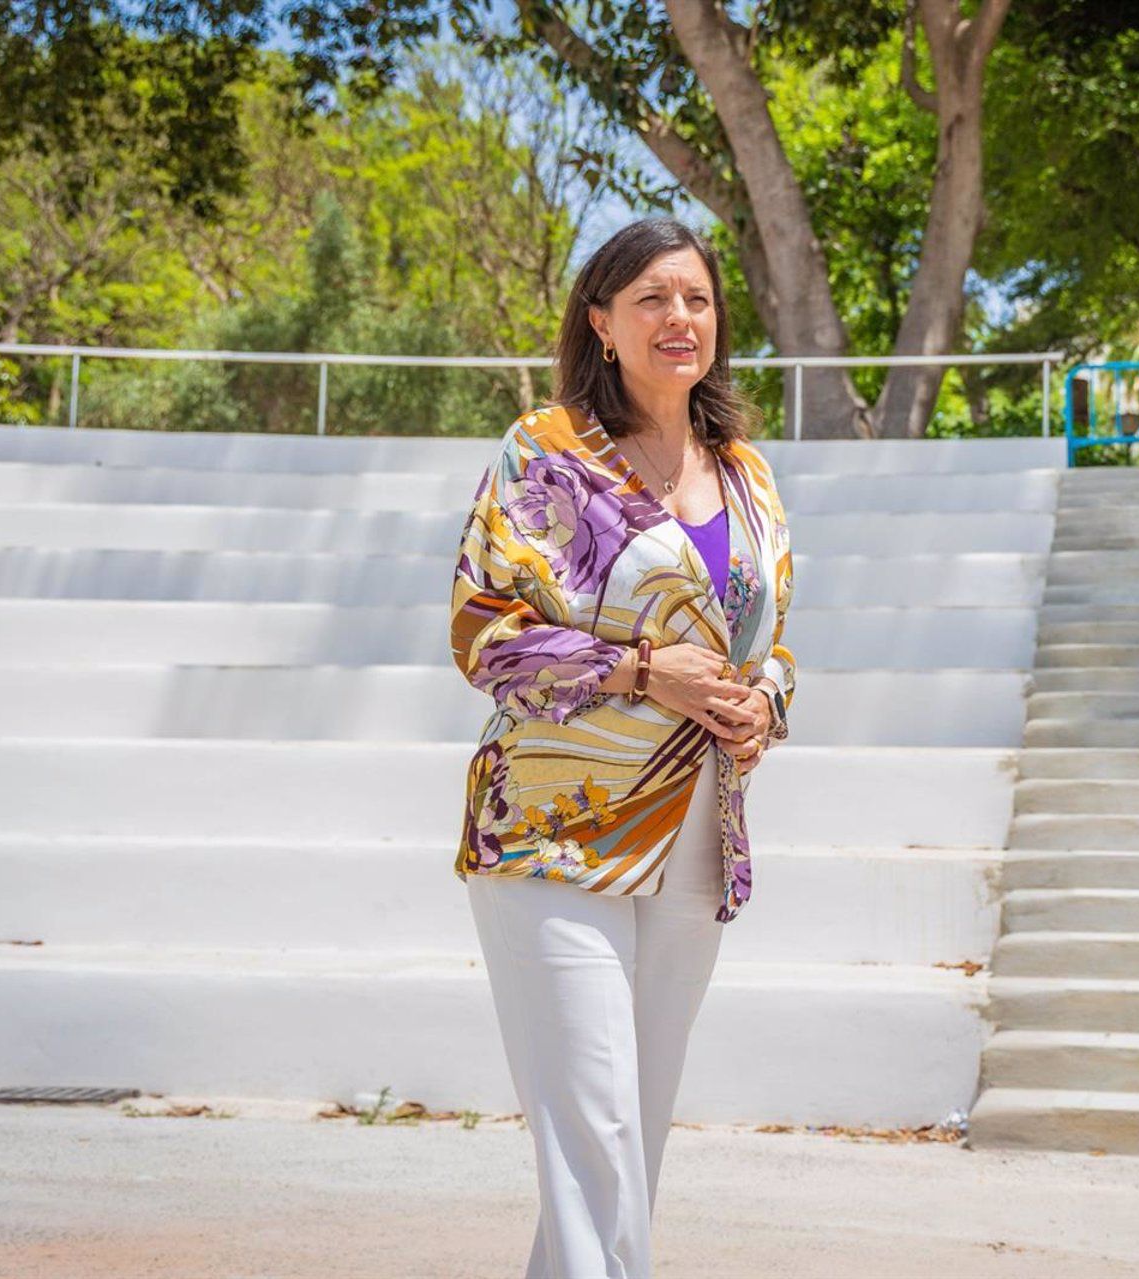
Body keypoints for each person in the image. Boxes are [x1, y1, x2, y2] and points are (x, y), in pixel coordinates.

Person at [448, 215, 797, 1278]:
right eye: (651, 298)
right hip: (554, 828)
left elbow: (772, 647)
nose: (678, 317)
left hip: (695, 835)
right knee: (595, 1131)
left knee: (625, 1143)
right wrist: (645, 670)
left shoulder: (748, 474)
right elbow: (483, 633)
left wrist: (764, 704)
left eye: (696, 298)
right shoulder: (547, 452)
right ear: (601, 322)